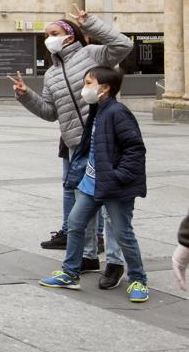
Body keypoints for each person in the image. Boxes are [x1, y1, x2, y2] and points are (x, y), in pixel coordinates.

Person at [9, 5, 131, 289]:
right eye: (45, 34)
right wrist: (26, 96)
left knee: (111, 205)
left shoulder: (91, 54)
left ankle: (114, 262)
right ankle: (88, 256)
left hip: (106, 140)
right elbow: (50, 112)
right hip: (77, 144)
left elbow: (123, 45)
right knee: (83, 204)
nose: (48, 38)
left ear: (70, 36)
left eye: (54, 33)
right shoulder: (51, 74)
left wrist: (91, 23)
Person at [40, 67, 150, 302]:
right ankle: (70, 273)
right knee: (75, 223)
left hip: (114, 185)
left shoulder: (118, 112)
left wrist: (118, 176)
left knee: (122, 233)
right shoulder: (98, 109)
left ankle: (138, 279)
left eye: (89, 83)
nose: (85, 87)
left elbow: (135, 148)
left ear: (105, 87)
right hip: (92, 182)